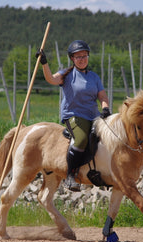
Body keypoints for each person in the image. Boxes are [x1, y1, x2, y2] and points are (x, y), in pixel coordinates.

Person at [36, 40, 111, 192]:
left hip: (93, 115)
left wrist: (106, 109)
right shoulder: (67, 74)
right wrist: (44, 63)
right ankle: (70, 175)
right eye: (78, 57)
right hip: (74, 115)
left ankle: (97, 172)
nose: (82, 59)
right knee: (82, 138)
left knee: (107, 138)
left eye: (84, 56)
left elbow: (102, 96)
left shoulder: (94, 77)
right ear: (72, 59)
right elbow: (51, 79)